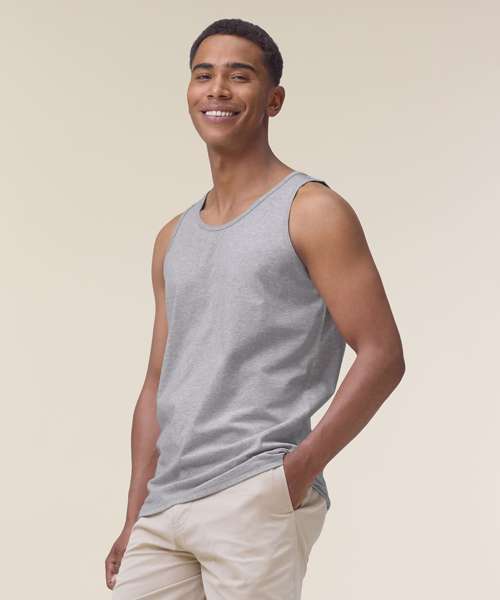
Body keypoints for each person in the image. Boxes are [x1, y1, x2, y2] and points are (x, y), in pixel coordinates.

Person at [105, 17, 405, 599]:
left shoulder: (311, 211)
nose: (217, 89)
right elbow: (158, 380)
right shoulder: (172, 237)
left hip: (253, 492)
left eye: (238, 76)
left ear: (274, 100)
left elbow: (383, 354)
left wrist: (294, 474)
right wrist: (134, 514)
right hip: (165, 508)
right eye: (203, 75)